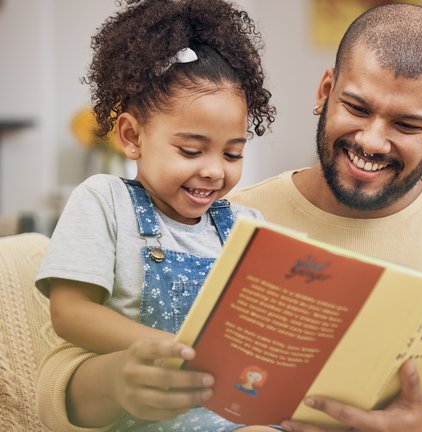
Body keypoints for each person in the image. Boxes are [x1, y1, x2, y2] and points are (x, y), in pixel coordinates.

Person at [37, 3, 422, 432]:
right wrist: (117, 383)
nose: (371, 140)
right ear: (325, 92)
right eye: (358, 107)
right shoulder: (236, 220)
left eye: (407, 125)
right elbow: (61, 372)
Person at [35, 0, 274, 430]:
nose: (214, 170)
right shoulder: (106, 201)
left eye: (233, 153)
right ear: (132, 136)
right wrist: (173, 348)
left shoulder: (246, 225)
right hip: (146, 413)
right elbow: (69, 311)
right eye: (190, 150)